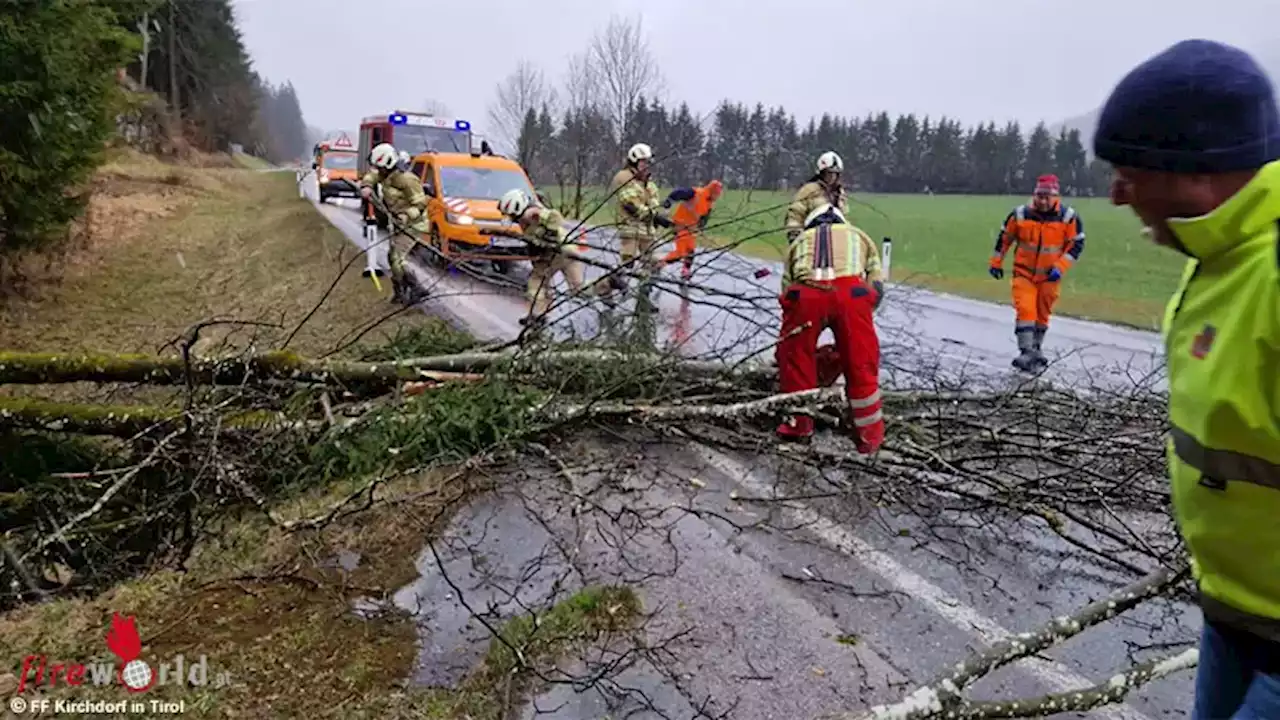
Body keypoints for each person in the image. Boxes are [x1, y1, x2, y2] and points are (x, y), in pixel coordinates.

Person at [1094, 38, 1280, 720]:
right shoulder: (1221, 257)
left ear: (1195, 174)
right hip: (1234, 618)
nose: (1116, 195)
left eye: (1128, 173)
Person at [775, 204, 885, 454]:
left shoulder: (799, 241)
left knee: (795, 360)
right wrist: (863, 316)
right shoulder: (860, 236)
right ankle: (869, 438)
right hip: (852, 293)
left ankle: (798, 426)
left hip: (806, 292)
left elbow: (786, 291)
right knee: (861, 364)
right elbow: (877, 285)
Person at [988, 173, 1086, 372]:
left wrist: (1060, 267)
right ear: (1034, 195)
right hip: (1023, 274)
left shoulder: (1069, 218)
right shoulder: (1020, 215)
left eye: (1046, 197)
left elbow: (1076, 244)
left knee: (1042, 313)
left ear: (1055, 197)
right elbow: (1004, 238)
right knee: (1026, 310)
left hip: (1050, 276)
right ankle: (1026, 351)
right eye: (1039, 196)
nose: (1042, 201)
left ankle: (1036, 347)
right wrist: (996, 261)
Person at [597, 142, 675, 310]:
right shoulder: (624, 177)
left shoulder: (650, 183)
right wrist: (654, 216)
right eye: (643, 162)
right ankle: (603, 287)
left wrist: (664, 218)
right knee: (628, 264)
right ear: (634, 161)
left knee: (654, 265)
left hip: (648, 231)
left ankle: (643, 299)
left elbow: (654, 205)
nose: (646, 165)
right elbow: (630, 204)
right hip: (630, 228)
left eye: (648, 162)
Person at [498, 188, 587, 329]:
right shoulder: (529, 216)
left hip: (555, 253)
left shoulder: (531, 213)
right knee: (579, 290)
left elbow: (556, 217)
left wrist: (550, 234)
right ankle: (608, 284)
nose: (514, 221)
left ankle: (537, 316)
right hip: (569, 250)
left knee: (536, 283)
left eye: (513, 217)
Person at [358, 142, 428, 305]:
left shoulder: (406, 180)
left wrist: (405, 216)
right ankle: (400, 292)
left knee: (397, 257)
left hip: (414, 224)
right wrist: (367, 186)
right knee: (392, 258)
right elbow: (372, 175)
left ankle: (416, 288)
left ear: (388, 164)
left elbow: (421, 204)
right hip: (396, 223)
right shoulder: (384, 174)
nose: (378, 170)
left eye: (380, 167)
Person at [662, 180, 724, 279]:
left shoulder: (709, 203)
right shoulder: (696, 193)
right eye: (717, 194)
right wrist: (669, 201)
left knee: (690, 251)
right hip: (681, 226)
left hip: (691, 229)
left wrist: (700, 227)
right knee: (680, 252)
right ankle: (660, 263)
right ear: (712, 191)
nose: (717, 197)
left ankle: (685, 270)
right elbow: (679, 192)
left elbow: (704, 218)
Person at [785, 151, 848, 242]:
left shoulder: (840, 193)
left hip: (835, 240)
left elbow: (843, 218)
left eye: (835, 174)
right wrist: (795, 235)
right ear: (821, 173)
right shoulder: (809, 190)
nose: (832, 177)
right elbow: (795, 213)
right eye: (829, 173)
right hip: (811, 239)